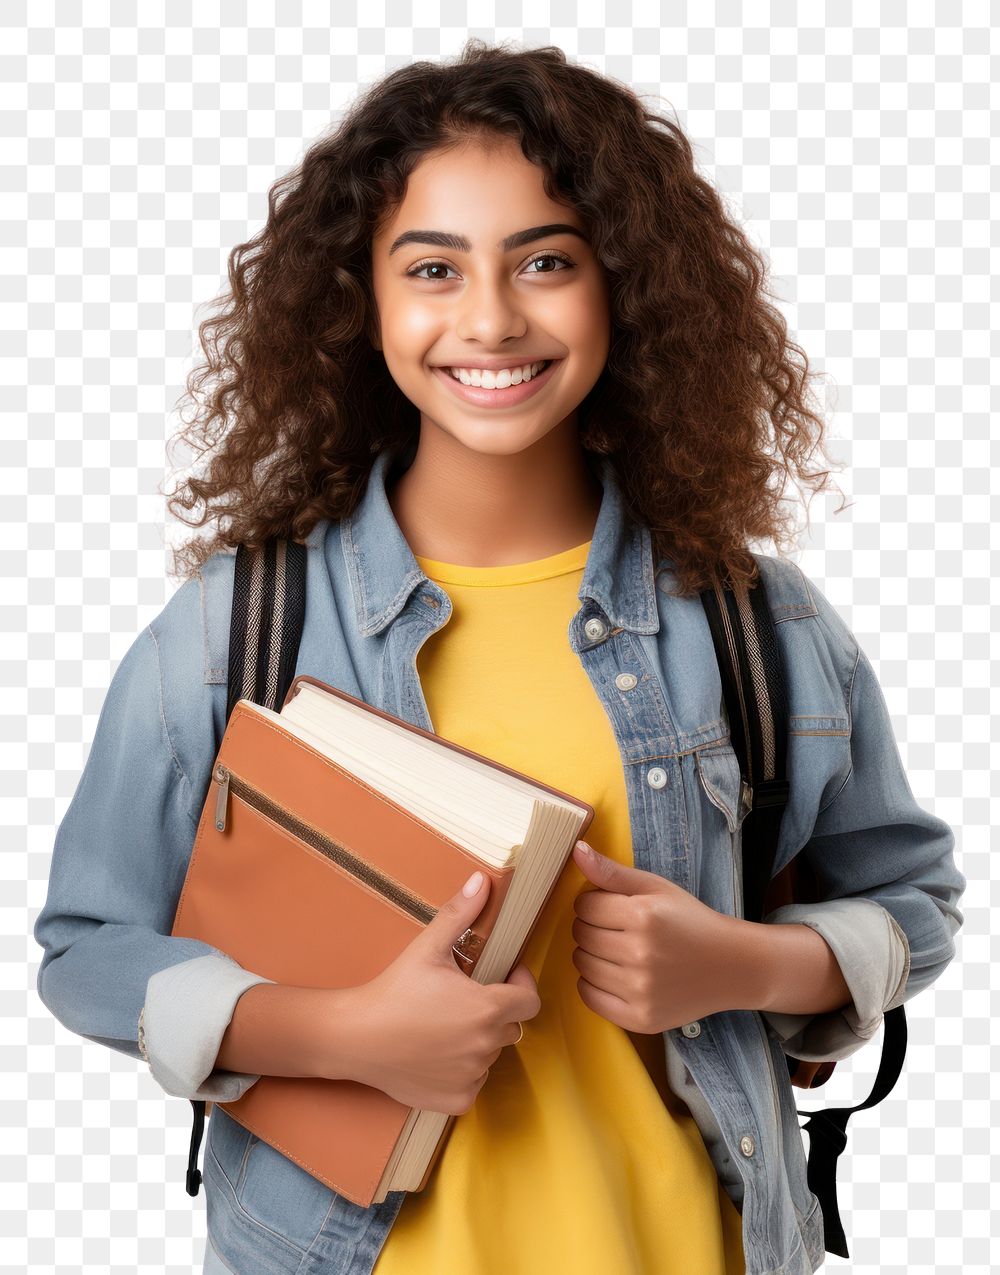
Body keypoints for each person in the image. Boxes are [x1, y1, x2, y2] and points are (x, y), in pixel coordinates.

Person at [33, 39, 966, 1275]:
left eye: (545, 261)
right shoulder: (234, 627)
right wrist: (340, 1033)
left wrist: (739, 963)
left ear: (621, 289)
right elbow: (89, 947)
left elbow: (912, 903)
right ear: (360, 302)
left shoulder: (757, 619)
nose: (488, 318)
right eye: (432, 267)